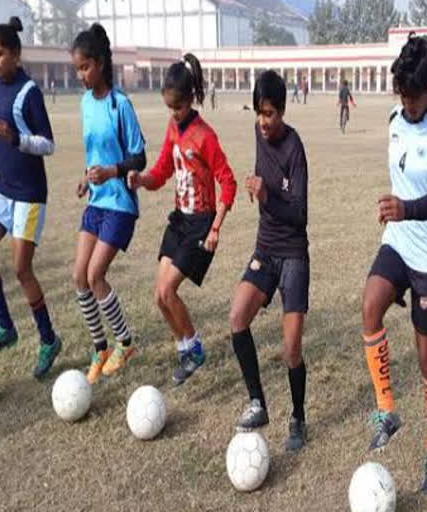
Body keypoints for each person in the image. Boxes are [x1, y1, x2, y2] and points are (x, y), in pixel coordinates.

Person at [361, 33, 427, 495]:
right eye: (401, 94)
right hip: (398, 241)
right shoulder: (395, 118)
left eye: (413, 96)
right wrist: (396, 216)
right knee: (370, 307)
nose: (407, 103)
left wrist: (404, 207)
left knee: (426, 360)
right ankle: (387, 409)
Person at [129, 54, 237, 385]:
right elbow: (162, 170)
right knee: (159, 296)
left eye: (177, 107)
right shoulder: (173, 129)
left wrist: (216, 227)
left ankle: (195, 348)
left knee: (169, 290)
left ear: (190, 99)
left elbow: (227, 181)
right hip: (179, 220)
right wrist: (142, 179)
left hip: (200, 223)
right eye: (169, 108)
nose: (173, 114)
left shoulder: (205, 136)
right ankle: (185, 349)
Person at [0, 16, 62, 379]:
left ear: (15, 54)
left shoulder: (30, 93)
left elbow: (48, 143)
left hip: (29, 193)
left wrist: (15, 140)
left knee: (22, 269)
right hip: (4, 187)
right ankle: (5, 327)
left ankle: (48, 339)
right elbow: (1, 132)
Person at [228, 70, 310, 453]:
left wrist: (266, 196)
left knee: (291, 349)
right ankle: (258, 402)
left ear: (283, 111)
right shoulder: (258, 135)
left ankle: (297, 417)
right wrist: (257, 190)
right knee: (237, 317)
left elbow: (299, 213)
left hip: (293, 254)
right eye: (259, 113)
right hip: (265, 248)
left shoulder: (295, 148)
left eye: (270, 113)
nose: (263, 121)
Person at [71, 23, 147, 383]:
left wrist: (112, 172)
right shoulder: (86, 103)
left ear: (100, 64)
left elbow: (140, 157)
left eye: (85, 67)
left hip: (119, 203)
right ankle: (100, 347)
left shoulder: (121, 105)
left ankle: (126, 342)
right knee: (78, 277)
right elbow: (93, 154)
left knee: (95, 274)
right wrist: (88, 178)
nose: (81, 75)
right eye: (77, 68)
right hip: (97, 199)